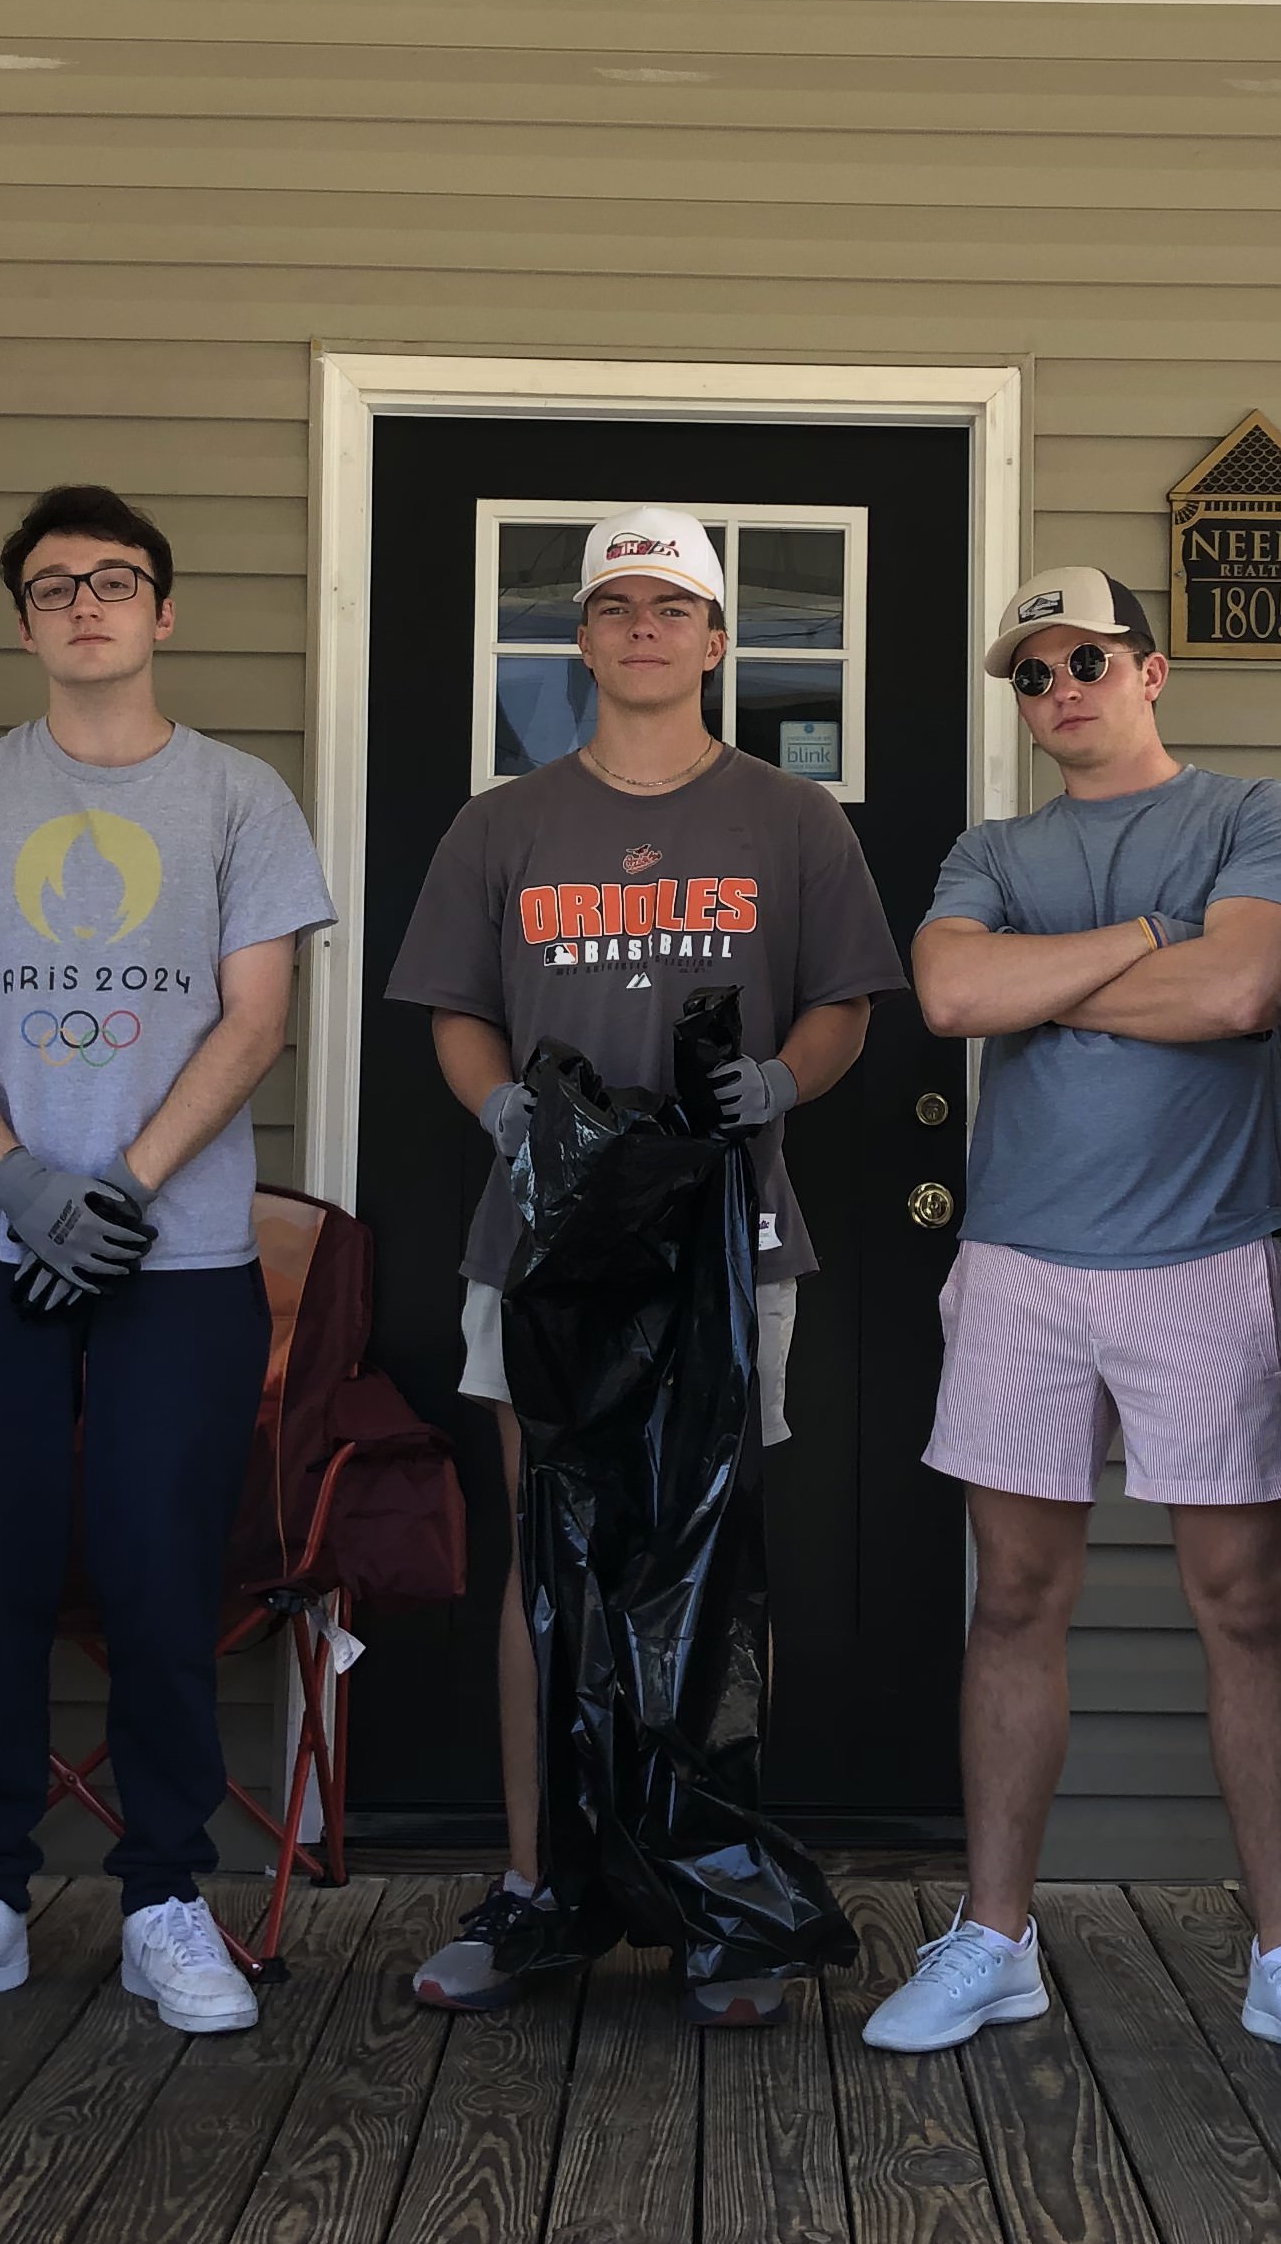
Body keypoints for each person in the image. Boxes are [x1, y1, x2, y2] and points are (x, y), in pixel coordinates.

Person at [384, 506, 900, 2030]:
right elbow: (455, 1011)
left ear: (718, 642)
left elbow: (846, 1005)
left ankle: (716, 1901)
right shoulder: (503, 823)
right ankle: (545, 1889)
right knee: (551, 1561)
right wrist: (498, 1111)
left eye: (673, 605)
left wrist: (784, 1087)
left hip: (725, 1248)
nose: (643, 628)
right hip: (540, 1246)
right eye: (616, 605)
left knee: (705, 1562)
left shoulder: (794, 823)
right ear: (585, 639)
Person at [869, 567, 1281, 2088]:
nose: (1059, 691)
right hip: (1022, 1263)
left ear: (1150, 670)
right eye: (1030, 676)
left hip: (1203, 1259)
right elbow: (954, 995)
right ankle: (997, 1937)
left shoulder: (1254, 812)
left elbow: (1237, 991)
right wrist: (1131, 946)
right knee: (1015, 1595)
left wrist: (1061, 981)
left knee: (1240, 1603)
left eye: (1085, 658)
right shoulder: (993, 845)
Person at [0, 486, 336, 2040]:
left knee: (156, 1568)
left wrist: (114, 1195)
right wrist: (14, 1184)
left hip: (180, 1256)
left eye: (113, 581)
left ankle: (165, 1896)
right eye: (55, 586)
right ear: (25, 621)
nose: (85, 606)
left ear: (163, 612)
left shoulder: (241, 799)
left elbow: (253, 1018)